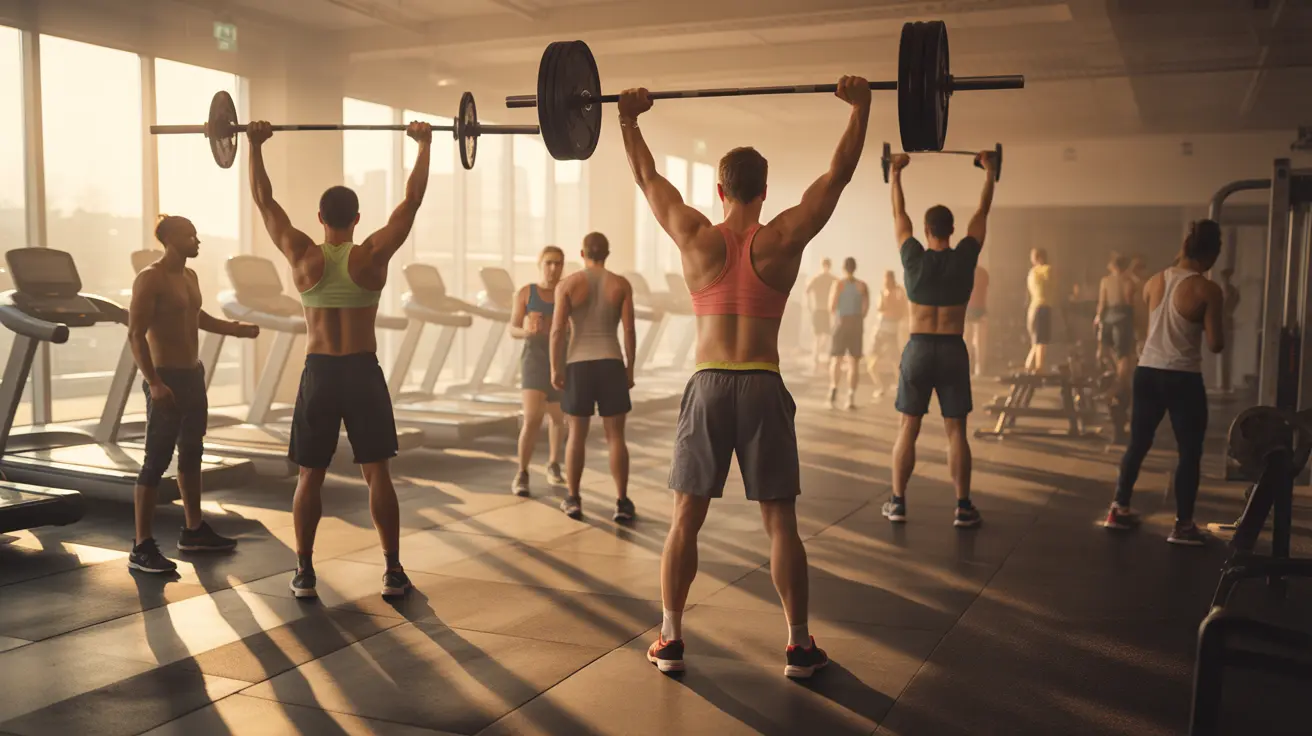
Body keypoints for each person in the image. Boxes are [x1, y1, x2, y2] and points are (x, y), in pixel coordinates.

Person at [622, 75, 871, 679]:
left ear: (719, 189)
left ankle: (671, 639)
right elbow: (836, 177)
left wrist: (629, 121)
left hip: (708, 385)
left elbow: (648, 180)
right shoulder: (783, 236)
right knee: (780, 521)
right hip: (762, 383)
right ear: (764, 192)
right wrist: (860, 110)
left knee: (686, 518)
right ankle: (799, 646)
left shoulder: (695, 236)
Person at [246, 119, 433, 599]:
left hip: (321, 373)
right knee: (377, 472)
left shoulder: (302, 256)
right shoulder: (371, 255)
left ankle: (304, 572)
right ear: (356, 218)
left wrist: (254, 145)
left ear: (320, 216)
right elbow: (411, 203)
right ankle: (392, 570)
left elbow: (264, 202)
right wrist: (424, 145)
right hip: (361, 372)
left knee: (311, 475)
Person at [125, 216, 260, 574]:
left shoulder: (190, 277)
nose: (197, 240)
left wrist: (234, 329)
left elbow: (195, 316)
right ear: (170, 239)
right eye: (190, 235)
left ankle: (194, 530)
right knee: (155, 460)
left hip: (192, 374)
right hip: (165, 377)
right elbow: (135, 335)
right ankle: (141, 546)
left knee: (192, 451)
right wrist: (153, 382)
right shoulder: (150, 278)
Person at [883, 149, 997, 529]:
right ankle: (963, 506)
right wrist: (988, 174)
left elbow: (899, 217)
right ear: (951, 230)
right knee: (956, 431)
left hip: (918, 348)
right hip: (951, 348)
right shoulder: (966, 257)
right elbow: (981, 218)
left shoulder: (913, 257)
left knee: (907, 428)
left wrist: (896, 174)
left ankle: (898, 503)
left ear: (928, 231)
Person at [1101, 220, 1225, 545]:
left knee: (1138, 442)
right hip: (1182, 376)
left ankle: (1118, 508)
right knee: (1189, 451)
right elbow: (1215, 344)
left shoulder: (1153, 281)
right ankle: (1183, 526)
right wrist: (1227, 311)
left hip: (1147, 371)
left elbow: (1149, 326)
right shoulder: (1207, 289)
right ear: (1210, 254)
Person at [550, 233, 637, 523]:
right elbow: (628, 331)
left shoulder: (569, 284)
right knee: (616, 437)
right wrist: (630, 367)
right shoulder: (620, 284)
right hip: (611, 361)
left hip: (579, 364)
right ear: (607, 253)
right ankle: (622, 502)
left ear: (582, 252)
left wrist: (555, 368)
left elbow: (557, 331)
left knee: (576, 435)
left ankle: (573, 499)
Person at [509, 245, 568, 496]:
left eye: (558, 263)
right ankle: (522, 472)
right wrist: (527, 331)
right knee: (532, 417)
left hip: (561, 358)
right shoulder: (526, 293)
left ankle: (553, 464)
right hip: (534, 358)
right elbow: (512, 328)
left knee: (557, 417)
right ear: (540, 264)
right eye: (549, 263)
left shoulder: (567, 293)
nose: (553, 268)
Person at [826, 257, 869, 410]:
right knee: (853, 362)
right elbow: (864, 310)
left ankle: (833, 390)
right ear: (855, 268)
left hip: (841, 323)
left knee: (836, 360)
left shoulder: (838, 284)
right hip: (856, 324)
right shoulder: (862, 286)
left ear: (843, 268)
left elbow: (831, 306)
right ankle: (850, 397)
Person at [1094, 254, 1137, 400]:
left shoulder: (1105, 281)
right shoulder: (1128, 281)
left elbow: (1102, 302)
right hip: (1123, 316)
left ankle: (1117, 383)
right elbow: (1129, 300)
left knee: (1106, 350)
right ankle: (1119, 385)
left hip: (1108, 317)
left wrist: (1098, 317)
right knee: (1123, 354)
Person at [867, 270, 908, 398]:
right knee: (872, 364)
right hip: (881, 331)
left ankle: (901, 387)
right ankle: (881, 387)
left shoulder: (898, 292)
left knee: (895, 362)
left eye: (887, 279)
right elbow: (880, 308)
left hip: (889, 331)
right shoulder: (885, 292)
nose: (886, 281)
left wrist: (889, 300)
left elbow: (901, 310)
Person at [1024, 248, 1056, 373]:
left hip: (1033, 309)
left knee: (1036, 342)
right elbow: (1052, 283)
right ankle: (1039, 368)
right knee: (1041, 341)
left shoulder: (1032, 272)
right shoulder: (1046, 270)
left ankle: (1029, 368)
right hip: (1042, 308)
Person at [805, 259, 838, 373]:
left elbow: (839, 291)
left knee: (827, 335)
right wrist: (808, 305)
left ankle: (824, 356)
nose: (826, 268)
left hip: (826, 310)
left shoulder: (832, 279)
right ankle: (816, 357)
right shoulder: (817, 279)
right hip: (819, 309)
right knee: (818, 336)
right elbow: (807, 290)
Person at [966, 265, 989, 376]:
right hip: (980, 309)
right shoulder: (983, 272)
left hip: (967, 309)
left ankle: (966, 368)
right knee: (980, 342)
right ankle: (979, 369)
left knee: (967, 341)